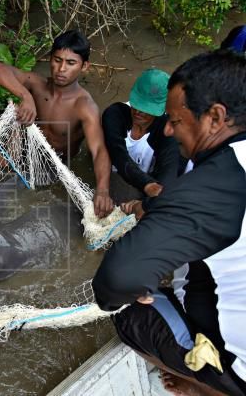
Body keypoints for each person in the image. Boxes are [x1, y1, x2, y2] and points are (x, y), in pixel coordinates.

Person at [93, 50, 246, 396]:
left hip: (239, 369)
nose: (167, 128)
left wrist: (135, 290)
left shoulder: (213, 184)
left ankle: (204, 385)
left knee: (127, 313)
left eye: (176, 121)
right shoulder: (116, 117)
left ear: (215, 118)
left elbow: (116, 280)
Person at [0, 29, 114, 218]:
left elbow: (99, 150)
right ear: (49, 59)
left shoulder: (84, 106)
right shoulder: (36, 84)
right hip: (23, 151)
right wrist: (25, 96)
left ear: (84, 66)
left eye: (71, 63)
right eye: (57, 60)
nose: (61, 69)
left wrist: (102, 190)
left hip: (53, 165)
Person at [102, 68, 182, 201]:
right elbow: (118, 154)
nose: (139, 111)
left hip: (145, 182)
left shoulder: (168, 132)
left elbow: (168, 175)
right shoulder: (115, 114)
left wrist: (145, 204)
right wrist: (146, 184)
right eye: (137, 104)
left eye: (146, 108)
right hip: (114, 172)